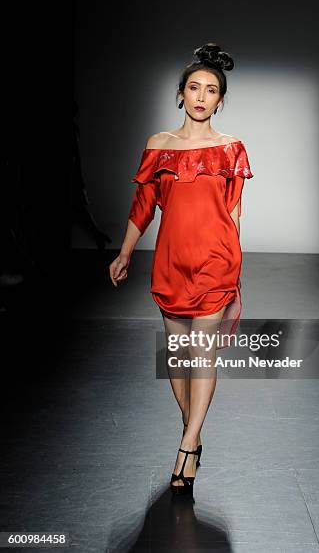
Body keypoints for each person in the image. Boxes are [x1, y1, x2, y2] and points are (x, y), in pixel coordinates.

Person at [109, 42, 254, 495]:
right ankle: (192, 428)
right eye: (194, 87)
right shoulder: (159, 145)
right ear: (180, 93)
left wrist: (237, 263)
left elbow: (233, 212)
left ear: (220, 100)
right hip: (171, 262)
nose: (201, 96)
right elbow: (143, 205)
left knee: (201, 355)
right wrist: (125, 252)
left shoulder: (231, 148)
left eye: (211, 90)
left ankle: (187, 445)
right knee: (176, 356)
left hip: (216, 261)